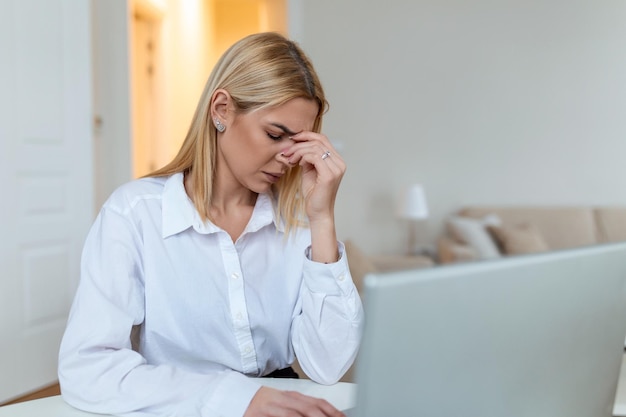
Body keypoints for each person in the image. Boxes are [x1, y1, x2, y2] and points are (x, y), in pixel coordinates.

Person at [57, 32, 363, 417]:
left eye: (297, 142)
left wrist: (322, 219)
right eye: (274, 134)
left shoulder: (298, 219)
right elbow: (87, 367)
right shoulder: (134, 214)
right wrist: (237, 399)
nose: (288, 158)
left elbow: (327, 366)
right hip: (177, 407)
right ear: (221, 109)